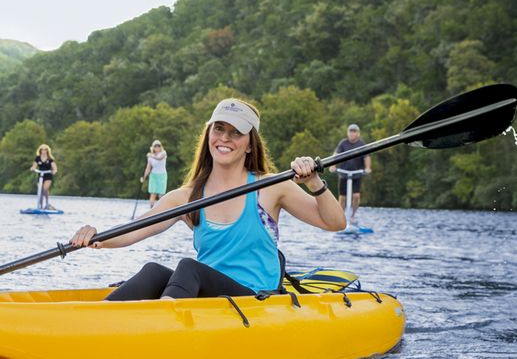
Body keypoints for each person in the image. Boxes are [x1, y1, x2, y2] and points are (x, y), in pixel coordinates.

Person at [69, 98, 346, 301]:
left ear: (250, 144)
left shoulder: (271, 187)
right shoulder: (187, 197)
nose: (225, 138)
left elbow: (335, 223)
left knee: (189, 268)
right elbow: (134, 231)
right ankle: (93, 323)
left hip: (256, 298)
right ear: (209, 135)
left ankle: (162, 327)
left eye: (236, 132)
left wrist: (313, 182)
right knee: (153, 271)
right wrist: (97, 238)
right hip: (208, 298)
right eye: (219, 129)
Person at [328, 124, 372, 225]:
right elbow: (336, 154)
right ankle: (341, 217)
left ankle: (352, 216)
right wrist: (332, 166)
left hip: (356, 174)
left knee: (356, 196)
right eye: (350, 131)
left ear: (358, 133)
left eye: (354, 131)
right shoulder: (343, 143)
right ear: (347, 133)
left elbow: (367, 157)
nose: (352, 133)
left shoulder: (361, 144)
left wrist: (368, 168)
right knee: (342, 197)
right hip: (344, 173)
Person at [29, 144, 58, 210]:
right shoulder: (38, 158)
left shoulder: (50, 159)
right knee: (40, 191)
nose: (44, 151)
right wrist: (32, 168)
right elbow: (34, 166)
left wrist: (53, 171)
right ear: (40, 151)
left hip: (48, 176)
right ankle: (40, 206)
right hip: (40, 176)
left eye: (45, 150)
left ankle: (47, 203)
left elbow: (55, 168)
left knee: (45, 189)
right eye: (42, 150)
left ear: (47, 151)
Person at [141, 140, 168, 207]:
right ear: (153, 147)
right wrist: (144, 177)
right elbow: (148, 168)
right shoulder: (150, 157)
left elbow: (159, 158)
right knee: (153, 193)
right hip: (153, 175)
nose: (157, 147)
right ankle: (151, 208)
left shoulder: (163, 153)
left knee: (161, 195)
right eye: (155, 146)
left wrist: (151, 155)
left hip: (162, 175)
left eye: (159, 146)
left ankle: (161, 209)